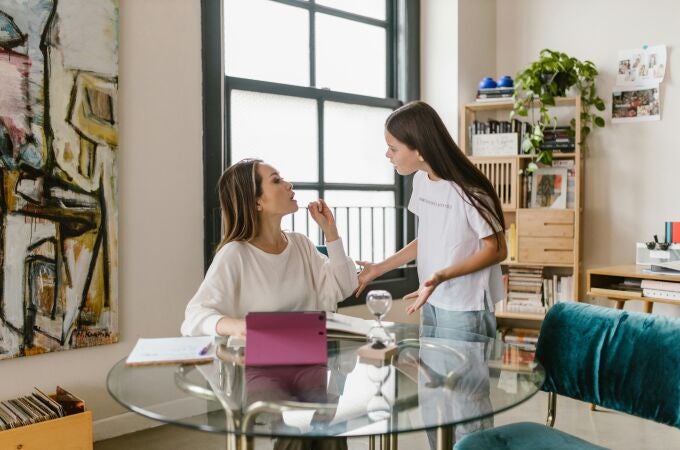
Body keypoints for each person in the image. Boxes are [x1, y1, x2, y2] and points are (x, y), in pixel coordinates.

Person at [356, 101, 507, 339]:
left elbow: (497, 250)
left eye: (393, 148)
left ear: (420, 150)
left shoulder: (469, 190)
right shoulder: (422, 181)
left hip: (465, 305)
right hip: (430, 296)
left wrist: (440, 276)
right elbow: (428, 239)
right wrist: (379, 268)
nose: (387, 154)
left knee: (463, 376)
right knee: (432, 376)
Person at [181, 158, 358, 339]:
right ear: (257, 202)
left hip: (310, 359)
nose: (288, 185)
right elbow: (195, 317)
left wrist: (331, 233)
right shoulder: (235, 254)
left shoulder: (301, 245)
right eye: (276, 180)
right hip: (259, 364)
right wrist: (239, 327)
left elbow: (343, 287)